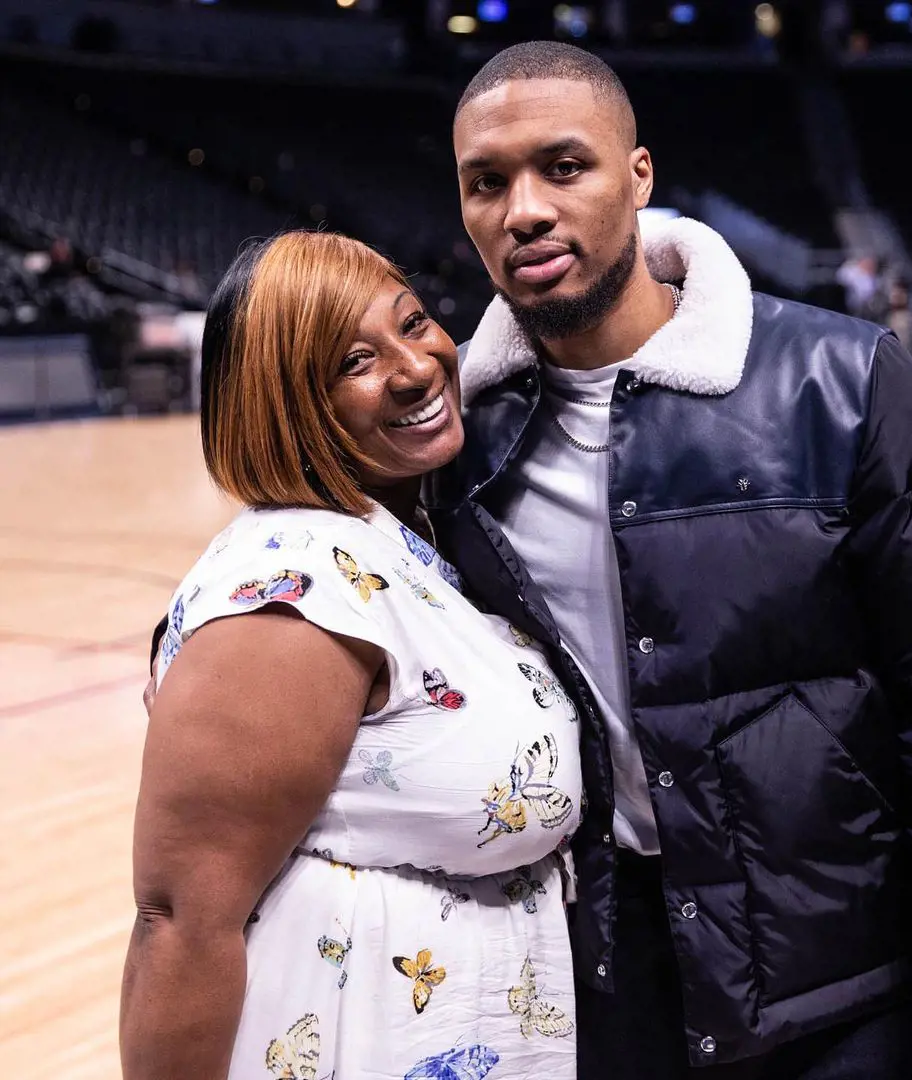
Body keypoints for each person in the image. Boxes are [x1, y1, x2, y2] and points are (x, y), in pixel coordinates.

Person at [422, 40, 912, 1080]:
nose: (522, 209)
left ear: (640, 176)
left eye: (563, 167)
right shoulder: (461, 444)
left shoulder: (845, 385)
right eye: (486, 183)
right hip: (600, 1000)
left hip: (843, 995)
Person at [123, 231, 581, 1080]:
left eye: (414, 324)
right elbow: (181, 921)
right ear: (283, 402)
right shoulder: (290, 586)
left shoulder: (395, 536)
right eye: (353, 362)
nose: (415, 368)